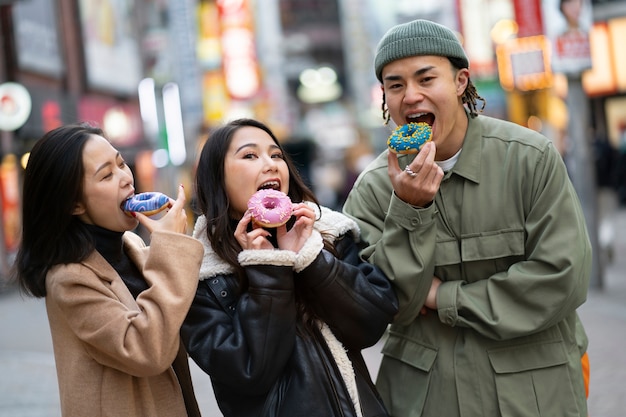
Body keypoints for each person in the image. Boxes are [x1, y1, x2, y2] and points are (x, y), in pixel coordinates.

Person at [342, 19, 591, 417]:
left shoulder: (528, 159)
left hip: (533, 394)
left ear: (460, 82)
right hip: (426, 398)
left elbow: (563, 277)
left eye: (426, 78)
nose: (411, 96)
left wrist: (443, 296)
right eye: (396, 85)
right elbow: (385, 307)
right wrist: (409, 209)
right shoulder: (373, 189)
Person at [181, 118, 398, 417]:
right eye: (249, 155)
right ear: (217, 180)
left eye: (276, 155)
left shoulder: (328, 234)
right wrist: (267, 269)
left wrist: (311, 258)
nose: (270, 165)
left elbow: (371, 324)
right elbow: (249, 371)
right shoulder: (203, 277)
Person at [13, 123, 204, 417]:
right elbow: (148, 350)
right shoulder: (69, 278)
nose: (126, 178)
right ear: (73, 203)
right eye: (106, 175)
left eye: (121, 163)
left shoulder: (132, 244)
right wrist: (172, 248)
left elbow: (180, 320)